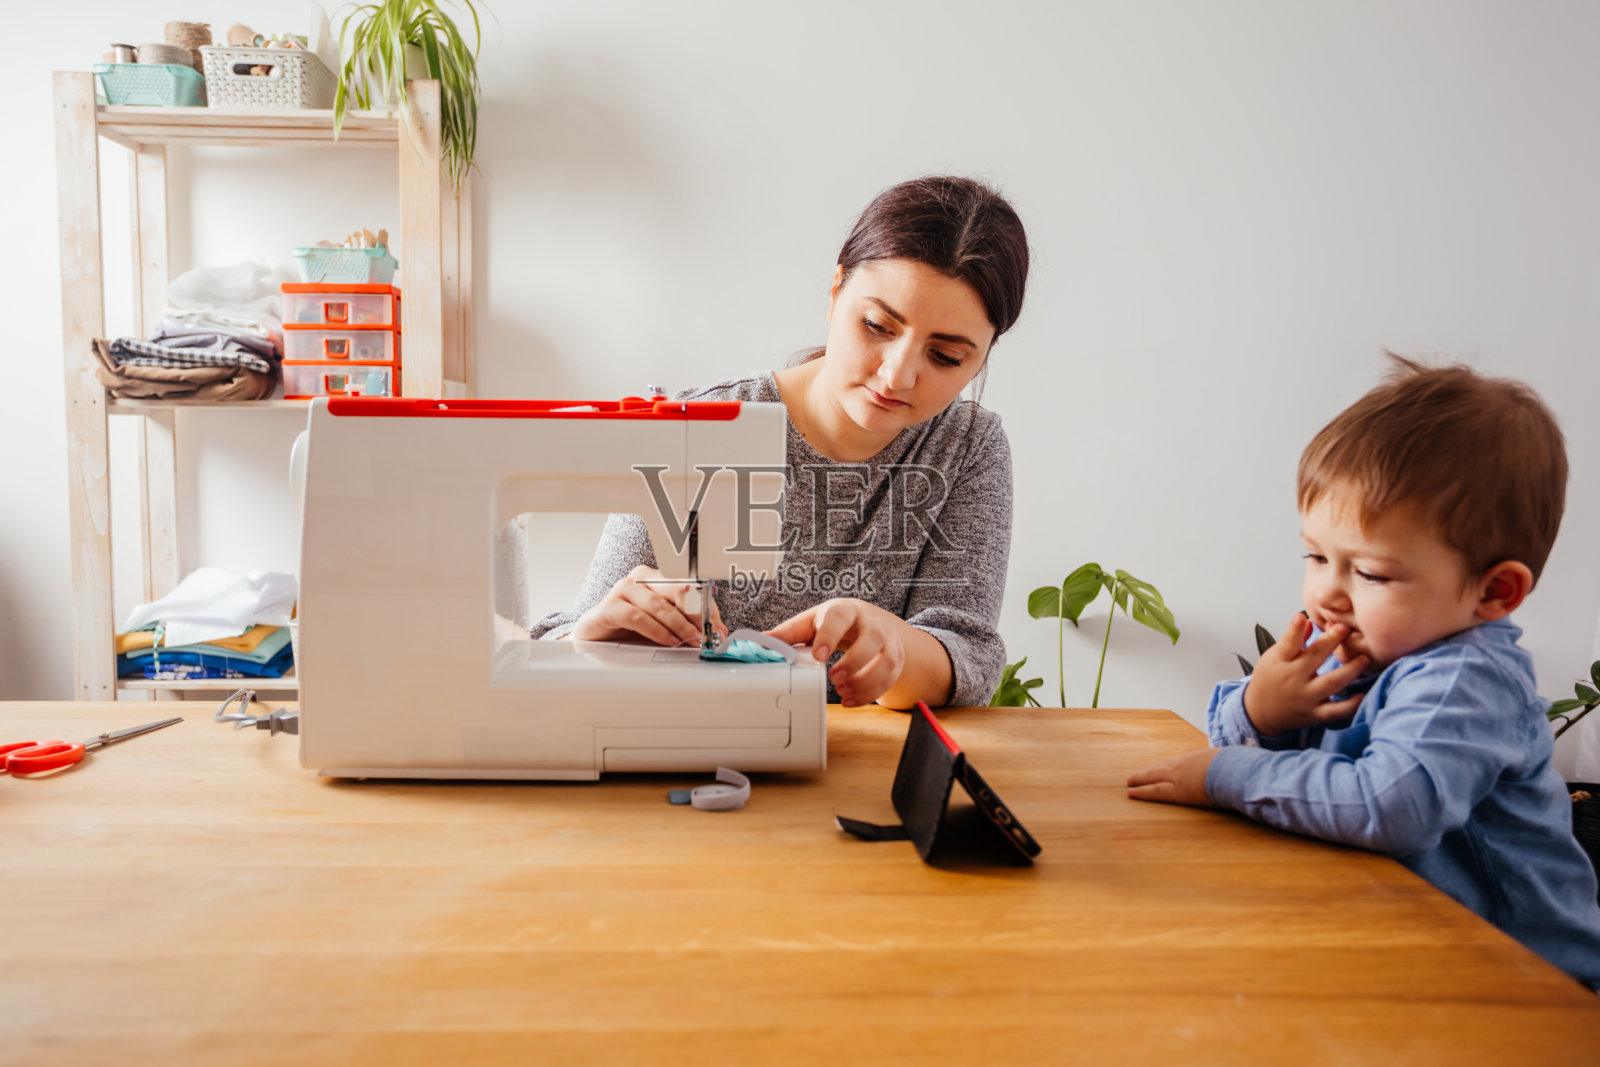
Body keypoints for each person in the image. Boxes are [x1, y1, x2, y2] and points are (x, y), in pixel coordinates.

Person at [1126, 356, 1600, 989]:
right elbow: (1255, 747)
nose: (1327, 591)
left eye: (1371, 573)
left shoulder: (1466, 678)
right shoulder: (1377, 645)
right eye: (1316, 556)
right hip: (1400, 944)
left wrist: (1223, 775)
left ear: (1495, 592)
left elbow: (1387, 803)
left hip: (1524, 986)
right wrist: (1261, 712)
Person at [529, 176, 1029, 710]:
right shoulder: (693, 427)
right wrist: (591, 636)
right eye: (878, 325)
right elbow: (560, 641)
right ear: (837, 290)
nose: (897, 375)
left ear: (984, 355)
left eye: (946, 357)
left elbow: (968, 655)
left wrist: (898, 648)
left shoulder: (968, 447)